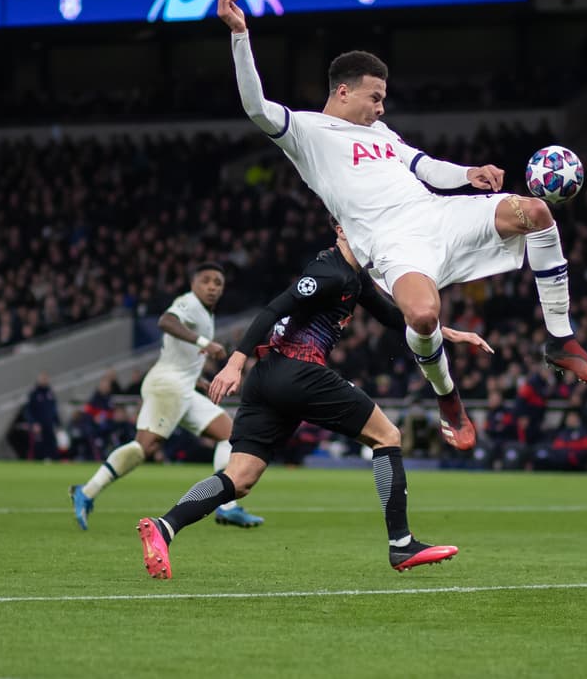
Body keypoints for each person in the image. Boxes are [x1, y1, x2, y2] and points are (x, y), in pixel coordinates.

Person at [218, 0, 587, 455]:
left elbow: (423, 166)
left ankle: (561, 338)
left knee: (537, 214)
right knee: (423, 317)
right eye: (375, 98)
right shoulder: (305, 132)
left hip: (438, 214)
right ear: (343, 92)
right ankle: (448, 397)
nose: (381, 108)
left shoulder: (380, 133)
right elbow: (256, 107)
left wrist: (468, 174)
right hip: (392, 244)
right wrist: (240, 36)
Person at [136, 223, 489, 578]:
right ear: (341, 229)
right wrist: (235, 361)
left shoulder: (355, 277)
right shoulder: (329, 272)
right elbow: (273, 309)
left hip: (268, 378)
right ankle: (401, 543)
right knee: (387, 436)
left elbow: (390, 316)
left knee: (240, 477)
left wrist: (439, 332)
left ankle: (165, 527)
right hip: (298, 370)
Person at [71, 263, 263, 530]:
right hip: (168, 386)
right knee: (144, 448)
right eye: (206, 280)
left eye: (217, 283)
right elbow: (166, 321)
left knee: (230, 435)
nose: (212, 287)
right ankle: (86, 491)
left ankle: (227, 506)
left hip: (184, 386)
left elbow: (181, 356)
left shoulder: (205, 314)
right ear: (193, 283)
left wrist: (200, 381)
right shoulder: (189, 303)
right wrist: (205, 343)